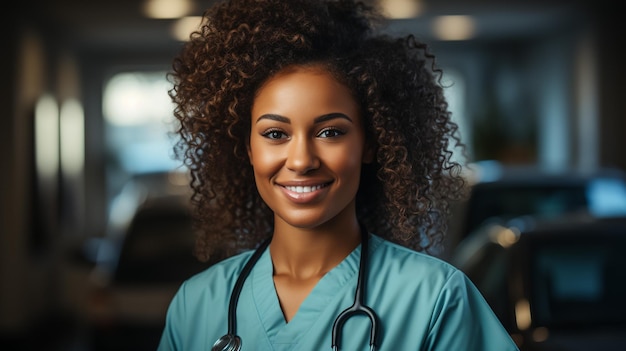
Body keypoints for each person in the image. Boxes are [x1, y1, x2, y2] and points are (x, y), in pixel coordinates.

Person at [158, 0, 520, 350]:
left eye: (330, 132)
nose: (301, 160)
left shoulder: (435, 299)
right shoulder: (197, 305)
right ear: (249, 149)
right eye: (275, 134)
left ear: (371, 143)